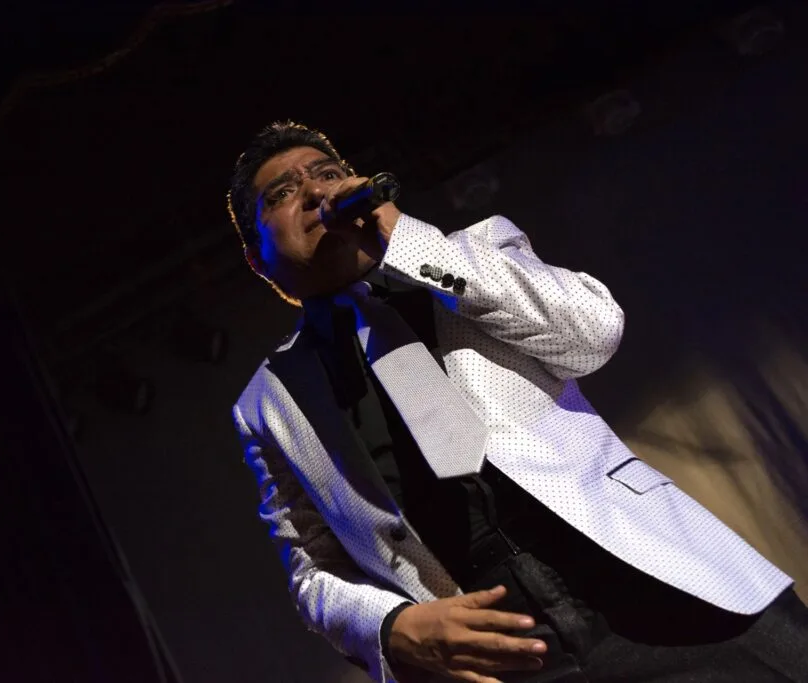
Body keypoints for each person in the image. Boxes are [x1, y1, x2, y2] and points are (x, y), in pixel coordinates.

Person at [228, 121, 808, 683]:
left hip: (650, 571)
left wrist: (402, 236)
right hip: (503, 646)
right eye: (282, 193)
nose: (315, 192)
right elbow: (313, 569)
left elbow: (593, 334)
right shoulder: (266, 403)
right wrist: (390, 625)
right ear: (256, 259)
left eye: (327, 173)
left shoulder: (472, 252)